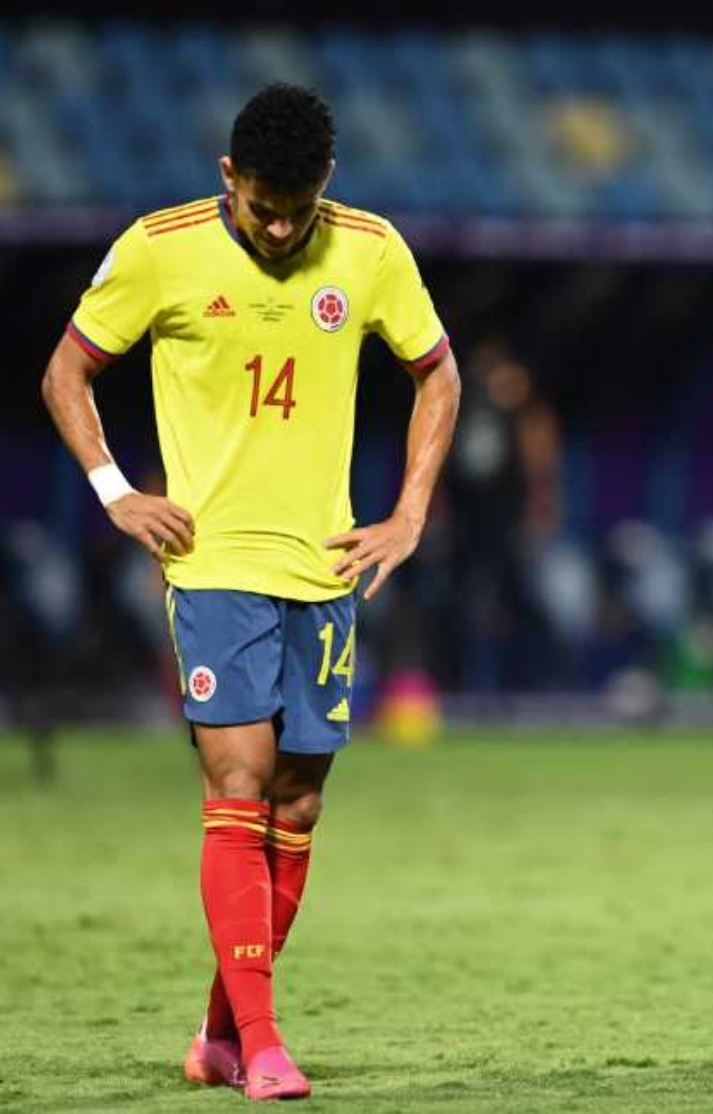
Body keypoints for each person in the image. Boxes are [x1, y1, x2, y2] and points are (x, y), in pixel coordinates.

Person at [40, 83, 461, 1101]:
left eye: (298, 210)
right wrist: (116, 492)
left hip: (325, 567)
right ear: (228, 176)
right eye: (263, 207)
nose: (279, 230)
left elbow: (439, 376)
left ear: (328, 185)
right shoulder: (160, 249)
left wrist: (407, 514)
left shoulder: (370, 250)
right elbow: (65, 373)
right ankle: (265, 1047)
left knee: (299, 800)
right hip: (213, 563)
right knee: (238, 784)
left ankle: (221, 1033)